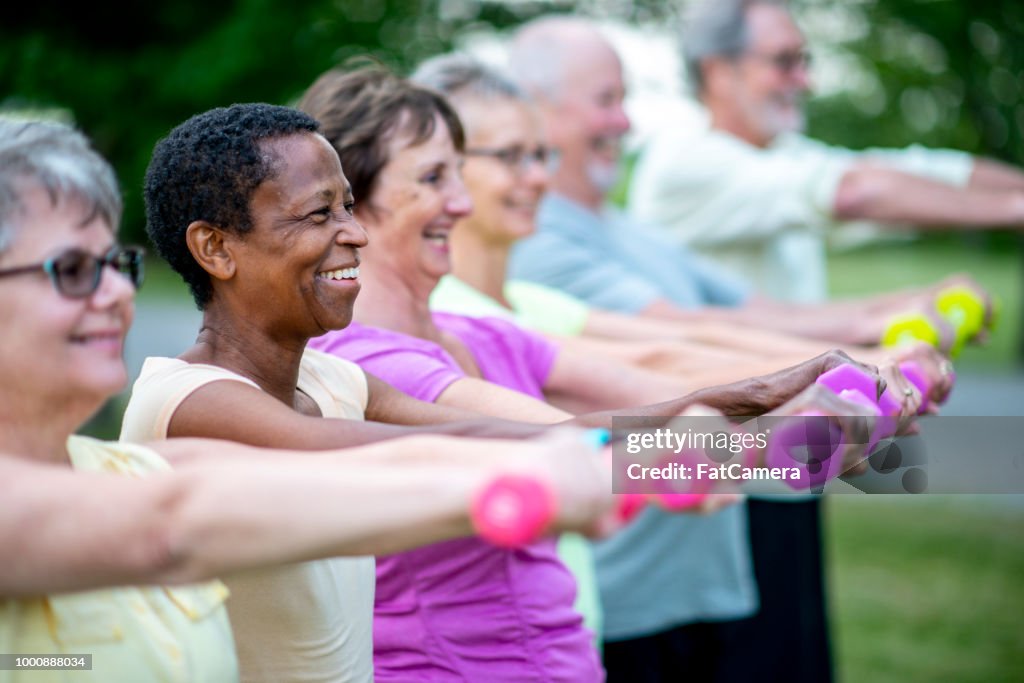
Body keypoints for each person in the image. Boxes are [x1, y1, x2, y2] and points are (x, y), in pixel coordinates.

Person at [295, 61, 904, 682]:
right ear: (351, 207)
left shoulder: (482, 335)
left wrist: (826, 383)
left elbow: (655, 374)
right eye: (432, 178)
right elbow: (577, 443)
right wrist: (761, 443)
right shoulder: (369, 360)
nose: (462, 200)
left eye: (458, 172)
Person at [0, 117, 615, 682]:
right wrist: (560, 470)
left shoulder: (134, 472)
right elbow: (384, 466)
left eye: (114, 264)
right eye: (73, 270)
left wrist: (688, 446)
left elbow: (480, 437)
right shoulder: (191, 410)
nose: (114, 290)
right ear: (215, 249)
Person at [502, 16, 930, 682]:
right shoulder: (531, 256)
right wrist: (838, 374)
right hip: (622, 600)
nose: (625, 122)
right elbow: (666, 354)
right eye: (606, 99)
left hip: (705, 576)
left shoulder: (618, 233)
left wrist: (887, 323)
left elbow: (729, 323)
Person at [412, 51, 956, 390]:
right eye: (511, 157)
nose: (537, 178)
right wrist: (755, 444)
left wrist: (859, 361)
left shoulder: (534, 304)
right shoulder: (448, 321)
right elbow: (574, 435)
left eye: (541, 155)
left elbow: (682, 342)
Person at [629, 0, 1024, 303]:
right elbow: (854, 192)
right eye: (784, 61)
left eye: (805, 61)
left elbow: (916, 171)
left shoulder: (783, 154)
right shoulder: (684, 159)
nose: (805, 81)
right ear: (718, 73)